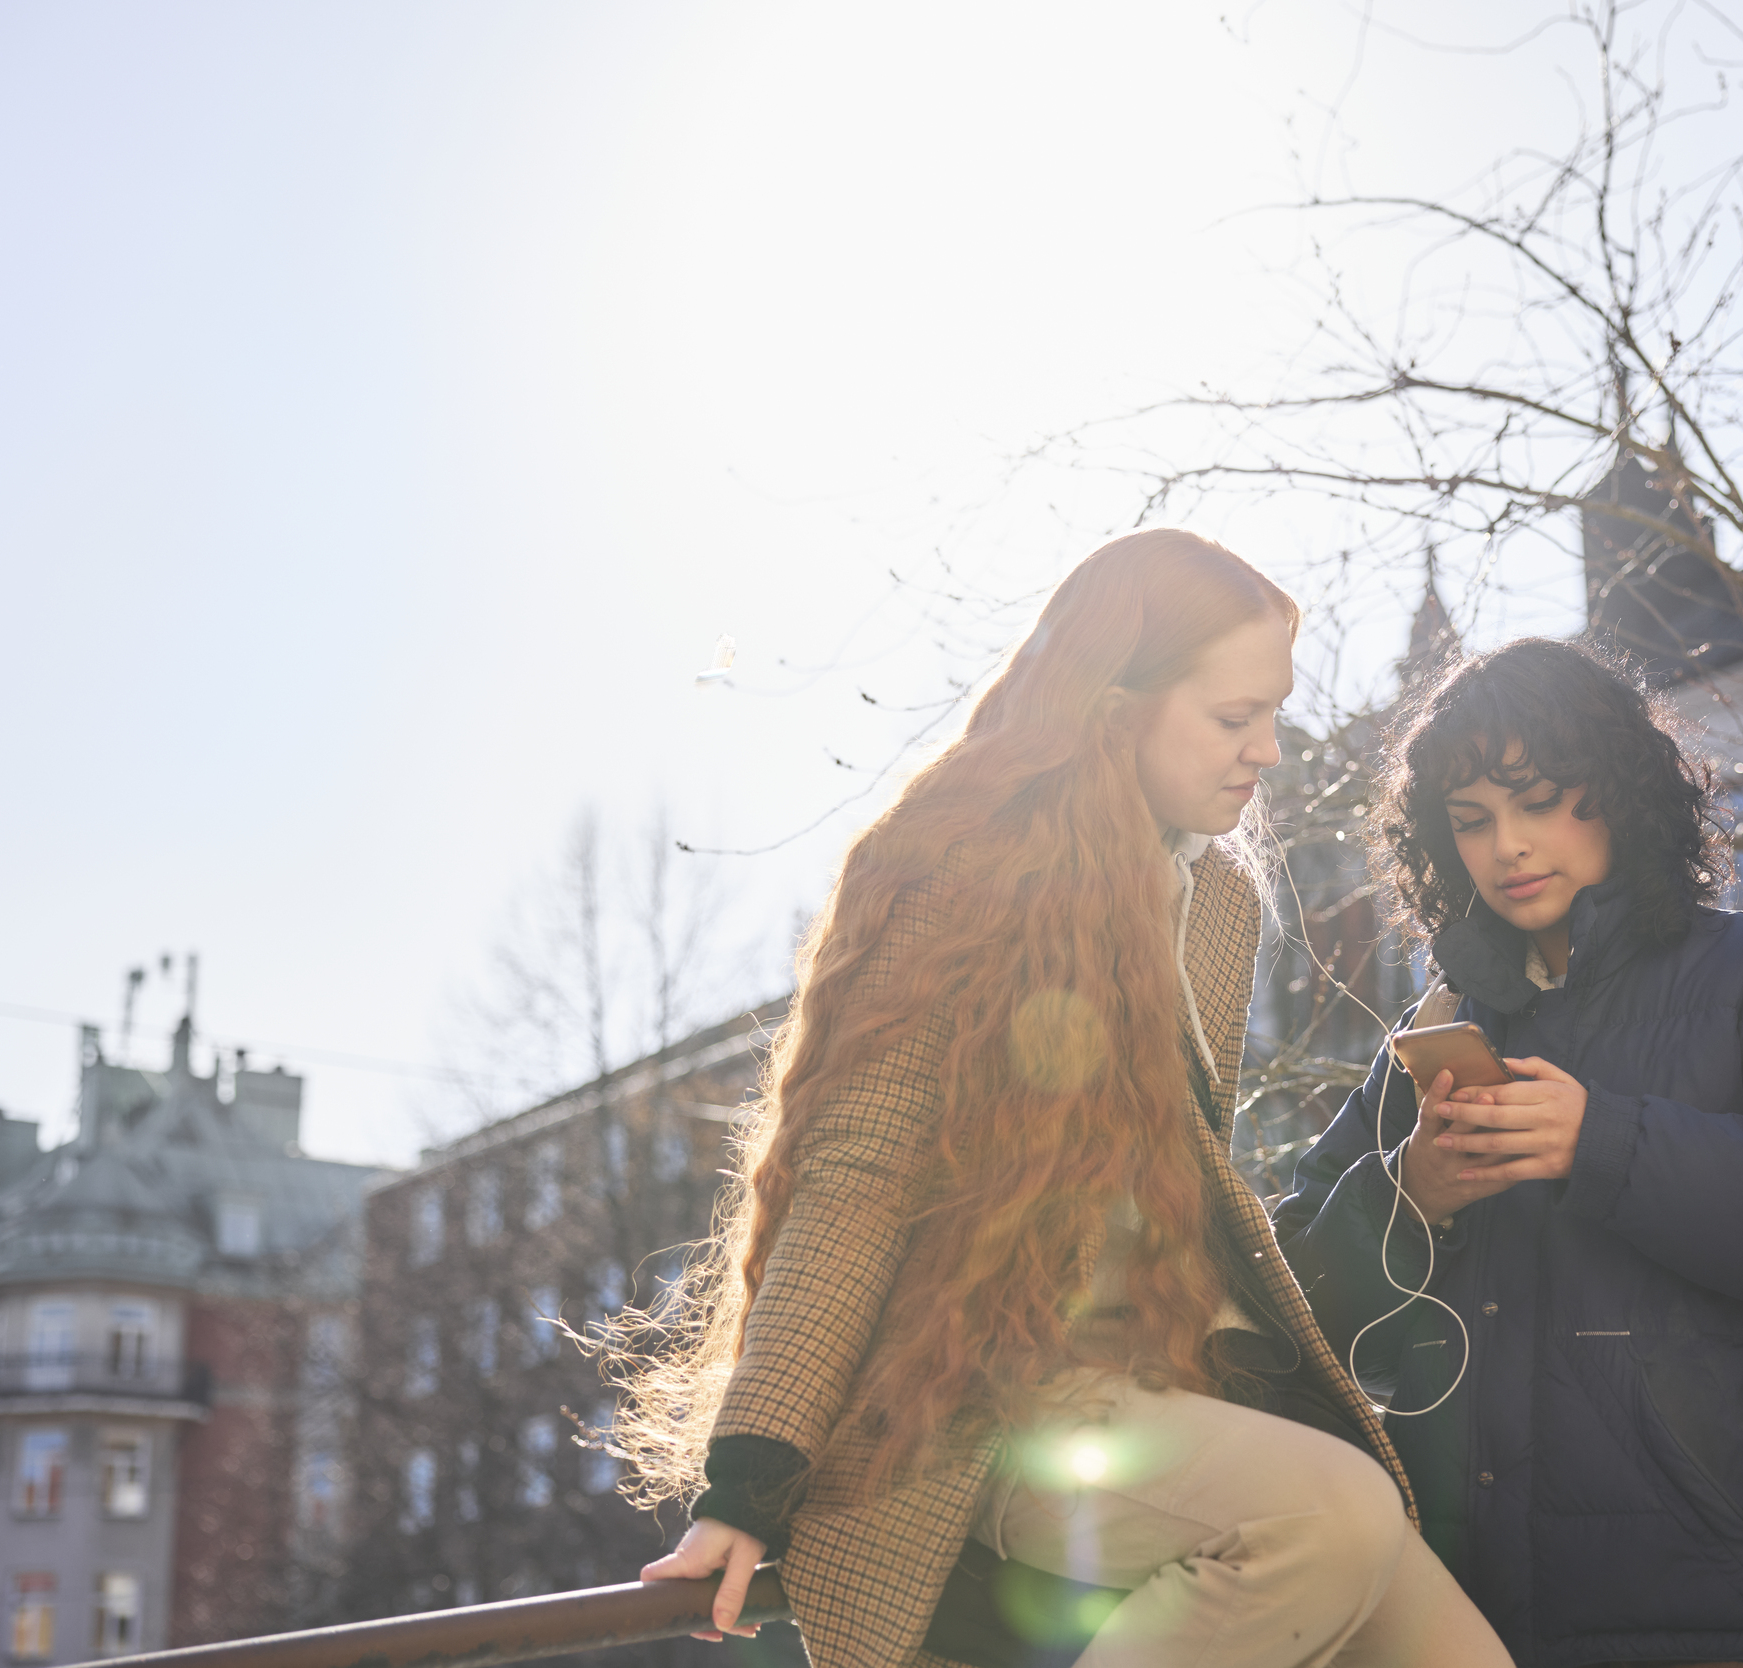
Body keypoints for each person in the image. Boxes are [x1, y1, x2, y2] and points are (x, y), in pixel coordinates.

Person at [623, 529, 1512, 1668]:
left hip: (1160, 1385)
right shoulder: (958, 871)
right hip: (976, 1405)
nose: (1268, 752)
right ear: (1113, 705)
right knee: (1327, 1515)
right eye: (1234, 719)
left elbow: (1185, 1184)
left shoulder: (1215, 897)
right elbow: (853, 1182)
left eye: (1273, 715)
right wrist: (747, 1481)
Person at [1275, 637, 1743, 1668]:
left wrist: (1607, 1144)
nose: (1507, 845)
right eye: (1470, 821)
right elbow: (1283, 1289)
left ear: (1623, 790)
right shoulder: (1434, 1033)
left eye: (1540, 800)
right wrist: (1408, 1196)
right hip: (1475, 1619)